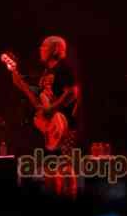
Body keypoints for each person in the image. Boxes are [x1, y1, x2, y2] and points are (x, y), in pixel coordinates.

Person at [11, 35, 81, 197]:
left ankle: (71, 198)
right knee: (52, 170)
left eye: (44, 46)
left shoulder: (64, 68)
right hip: (50, 129)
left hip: (64, 125)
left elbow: (73, 93)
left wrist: (52, 108)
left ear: (55, 49)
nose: (40, 49)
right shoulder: (47, 71)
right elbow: (40, 97)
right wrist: (20, 84)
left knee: (66, 168)